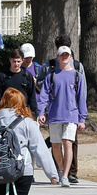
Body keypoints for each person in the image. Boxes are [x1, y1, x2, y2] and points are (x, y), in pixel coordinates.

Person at [35, 34, 86, 183]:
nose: (64, 57)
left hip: (71, 115)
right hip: (54, 115)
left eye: (66, 55)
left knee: (68, 143)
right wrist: (41, 112)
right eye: (61, 55)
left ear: (70, 56)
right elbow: (43, 95)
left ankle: (65, 175)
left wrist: (82, 118)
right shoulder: (51, 75)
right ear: (57, 57)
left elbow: (82, 98)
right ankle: (61, 169)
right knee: (56, 146)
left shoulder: (78, 75)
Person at [0, 48, 38, 115]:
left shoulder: (27, 76)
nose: (16, 64)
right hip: (6, 111)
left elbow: (32, 97)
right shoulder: (2, 76)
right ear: (10, 60)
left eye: (18, 61)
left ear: (22, 60)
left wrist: (34, 114)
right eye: (14, 61)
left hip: (23, 111)